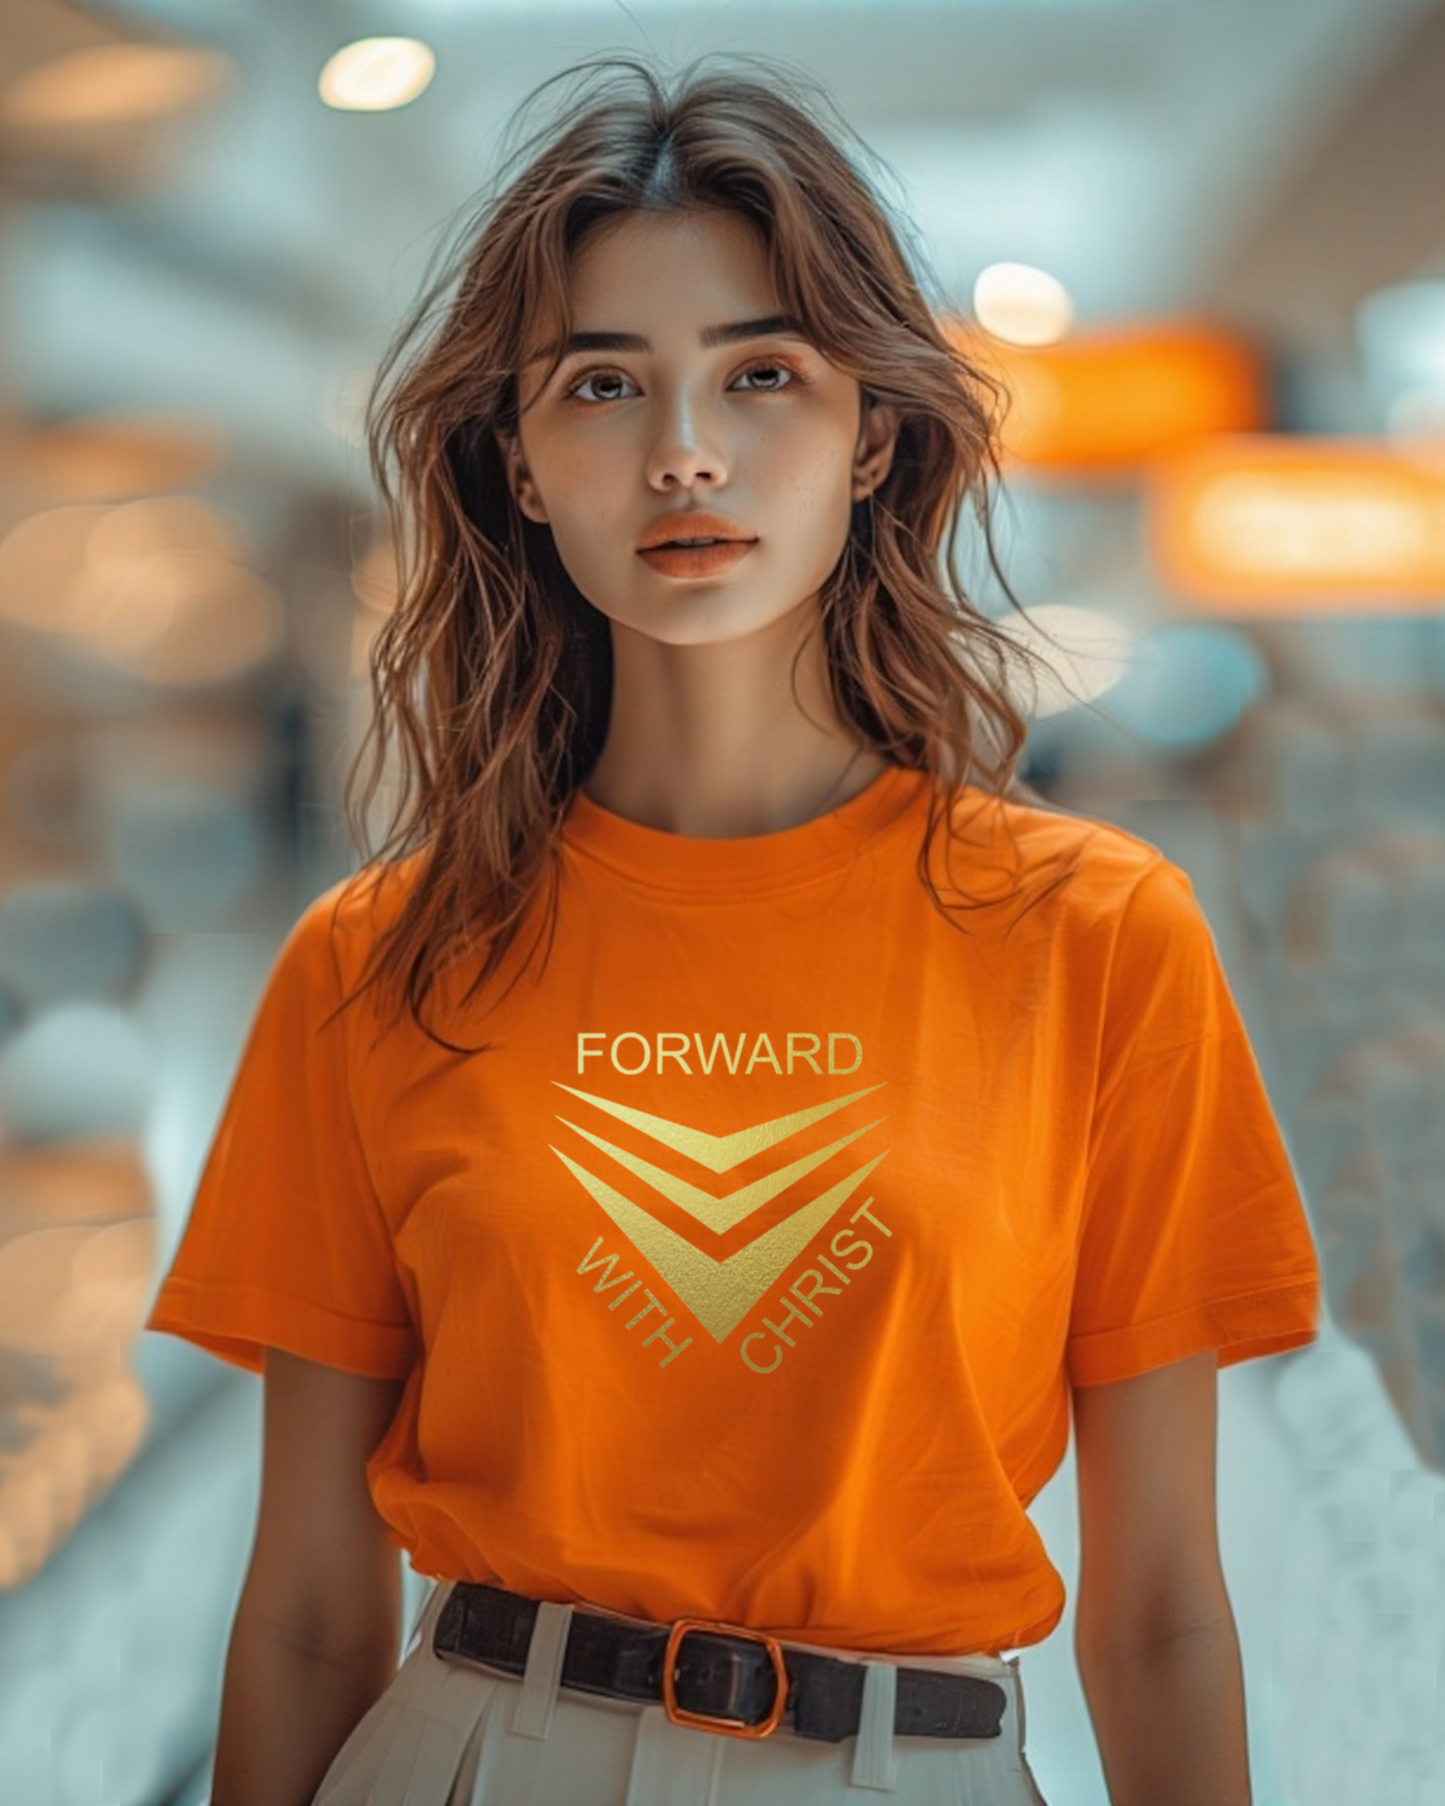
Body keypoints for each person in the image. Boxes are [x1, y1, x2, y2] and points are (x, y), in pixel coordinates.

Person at [145, 51, 1321, 1806]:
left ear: (874, 430)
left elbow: (1158, 1612)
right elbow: (311, 1608)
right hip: (473, 1752)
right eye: (604, 385)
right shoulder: (379, 961)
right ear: (522, 466)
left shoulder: (1098, 939)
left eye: (760, 373)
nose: (685, 452)